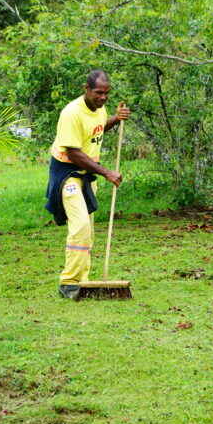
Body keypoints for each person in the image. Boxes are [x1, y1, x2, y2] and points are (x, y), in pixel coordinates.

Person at [46, 70, 130, 298]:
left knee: (88, 231)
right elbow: (73, 153)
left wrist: (116, 119)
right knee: (80, 226)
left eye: (106, 93)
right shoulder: (71, 113)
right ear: (86, 89)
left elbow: (98, 128)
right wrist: (106, 173)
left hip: (87, 174)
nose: (103, 98)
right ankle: (68, 282)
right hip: (68, 173)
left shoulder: (99, 109)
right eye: (98, 93)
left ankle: (83, 280)